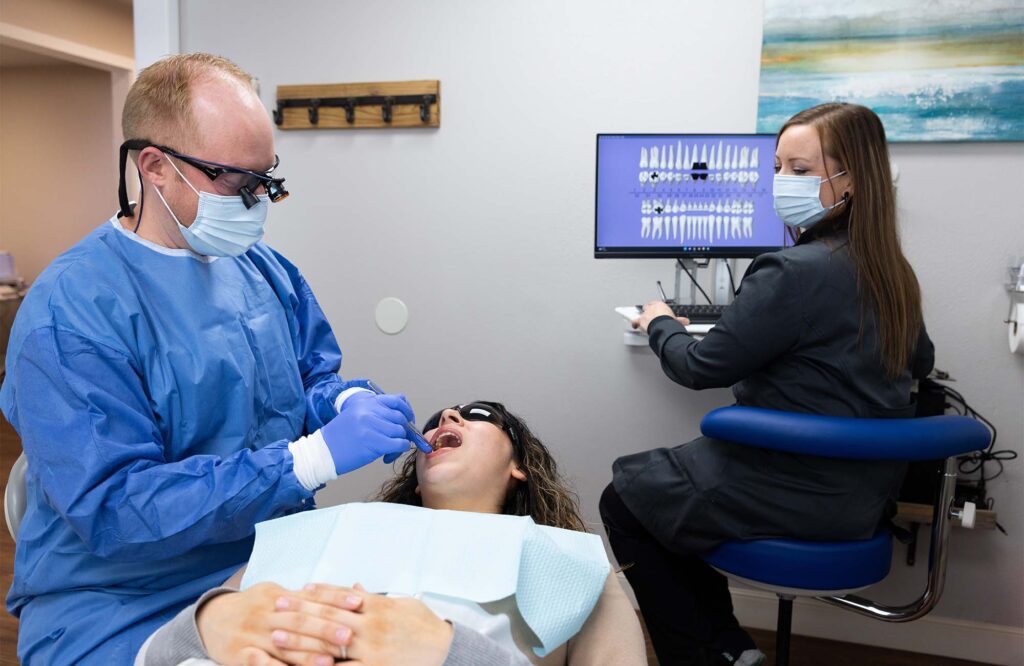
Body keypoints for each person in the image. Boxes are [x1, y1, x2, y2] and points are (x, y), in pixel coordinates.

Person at [0, 53, 429, 664]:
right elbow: (115, 507)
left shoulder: (262, 270)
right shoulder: (71, 311)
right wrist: (310, 458)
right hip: (122, 600)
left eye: (267, 178)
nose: (259, 200)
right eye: (238, 181)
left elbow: (304, 380)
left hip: (264, 561)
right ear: (156, 168)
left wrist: (341, 401)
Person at [599, 102, 935, 666]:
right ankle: (727, 647)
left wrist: (659, 321)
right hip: (859, 498)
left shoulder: (792, 271)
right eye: (778, 167)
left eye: (801, 171)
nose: (782, 182)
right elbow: (919, 360)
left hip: (792, 489)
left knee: (627, 499)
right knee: (664, 495)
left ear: (851, 179)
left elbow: (699, 368)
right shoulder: (890, 270)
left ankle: (718, 653)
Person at [137, 400, 648, 666]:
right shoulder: (322, 530)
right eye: (437, 419)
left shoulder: (567, 562)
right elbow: (157, 655)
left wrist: (450, 654)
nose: (448, 416)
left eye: (480, 416)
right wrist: (205, 621)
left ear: (520, 468)